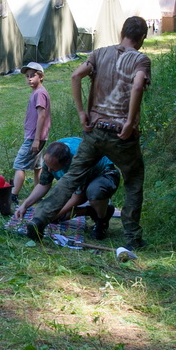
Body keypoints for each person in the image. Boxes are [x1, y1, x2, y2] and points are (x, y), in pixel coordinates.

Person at [27, 16, 151, 251]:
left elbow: (75, 75)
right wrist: (129, 120)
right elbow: (137, 85)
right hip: (122, 136)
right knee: (134, 181)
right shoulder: (140, 60)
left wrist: (82, 112)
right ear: (142, 37)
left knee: (71, 177)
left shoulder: (100, 53)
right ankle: (133, 238)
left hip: (95, 131)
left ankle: (39, 219)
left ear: (122, 32)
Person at [15, 138, 120, 238]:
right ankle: (93, 210)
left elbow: (77, 198)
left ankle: (102, 221)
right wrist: (25, 205)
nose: (49, 170)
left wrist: (53, 214)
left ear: (65, 163)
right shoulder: (51, 156)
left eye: (53, 168)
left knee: (94, 193)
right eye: (48, 166)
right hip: (82, 180)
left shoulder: (79, 162)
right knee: (54, 215)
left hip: (105, 174)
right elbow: (43, 184)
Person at [11, 62, 51, 200]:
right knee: (37, 166)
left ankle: (13, 195)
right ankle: (38, 195)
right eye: (27, 76)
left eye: (33, 75)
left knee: (19, 164)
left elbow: (42, 116)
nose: (29, 79)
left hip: (34, 137)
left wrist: (36, 139)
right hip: (36, 136)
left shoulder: (40, 93)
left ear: (41, 77)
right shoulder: (37, 92)